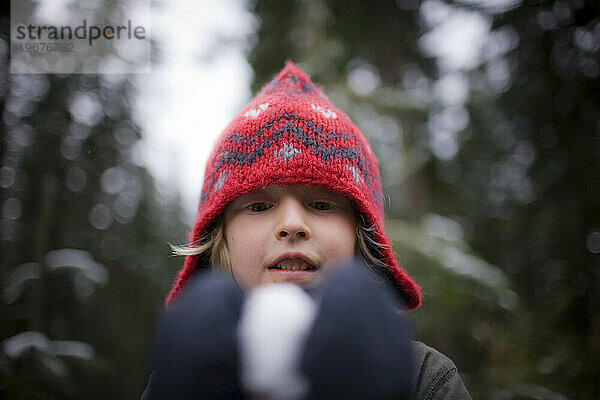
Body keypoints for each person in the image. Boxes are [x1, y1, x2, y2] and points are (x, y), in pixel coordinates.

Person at [148, 62, 471, 399]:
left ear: (361, 237)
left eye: (321, 205)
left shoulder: (422, 378)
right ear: (220, 237)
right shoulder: (177, 382)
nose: (291, 226)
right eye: (258, 206)